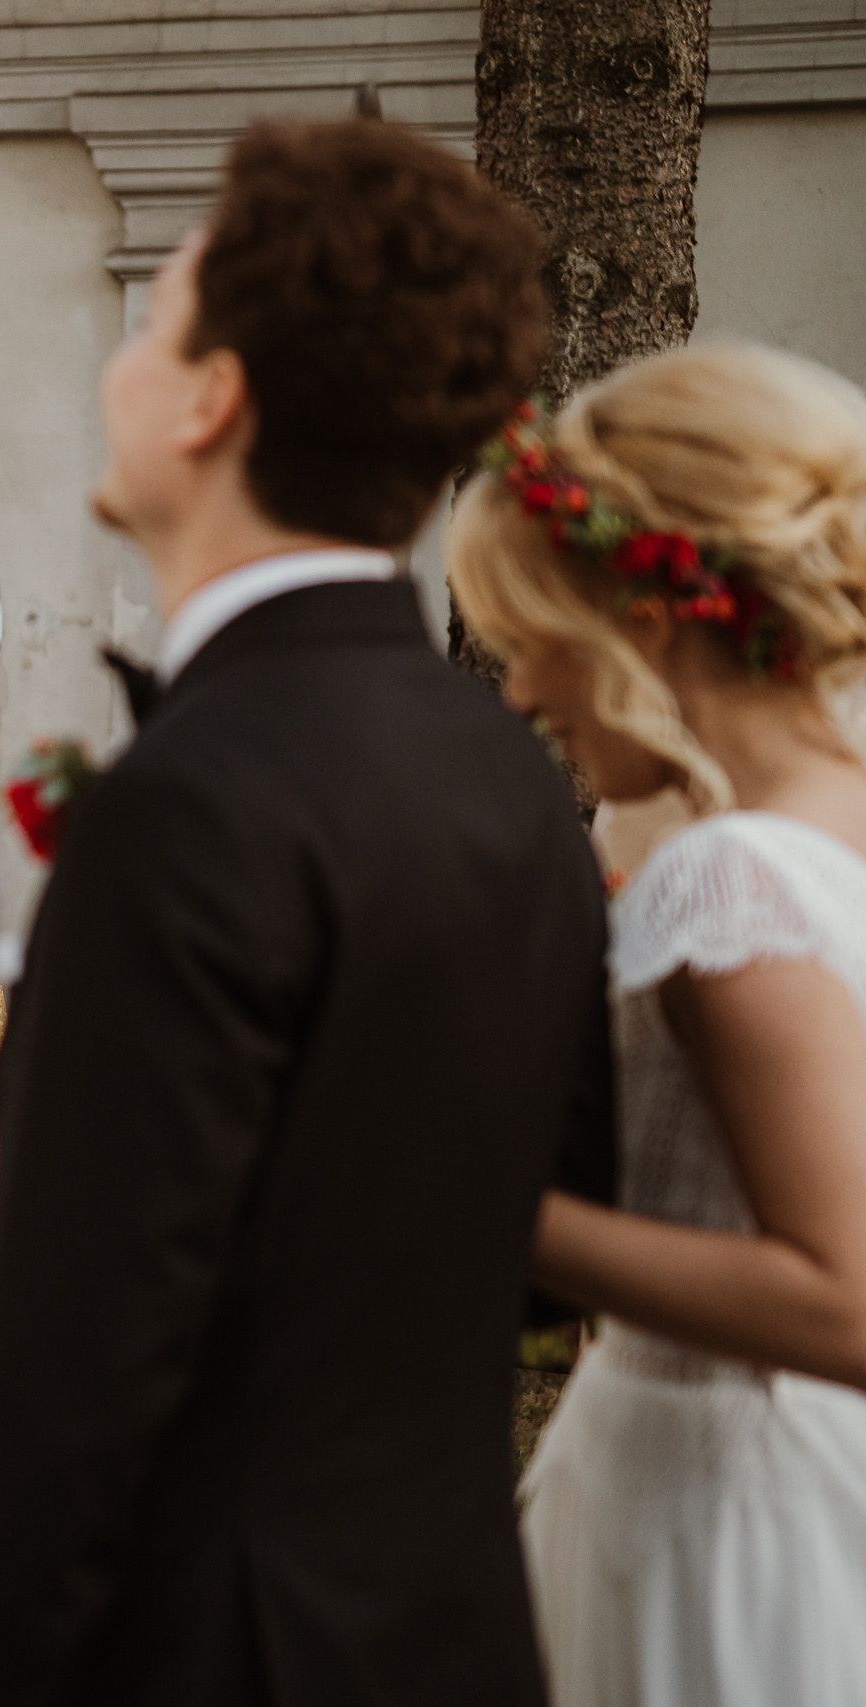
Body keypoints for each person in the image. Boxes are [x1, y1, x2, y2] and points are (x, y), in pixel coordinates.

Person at [0, 119, 611, 1707]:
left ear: (214, 399)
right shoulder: (508, 770)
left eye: (157, 325)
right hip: (443, 1623)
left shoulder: (190, 805)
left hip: (216, 1636)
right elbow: (537, 1246)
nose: (122, 364)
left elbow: (61, 1392)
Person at [452, 343, 866, 1705]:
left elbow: (842, 1295)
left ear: (652, 612)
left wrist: (446, 1189)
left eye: (535, 640)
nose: (522, 694)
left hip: (716, 1496)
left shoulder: (735, 874)